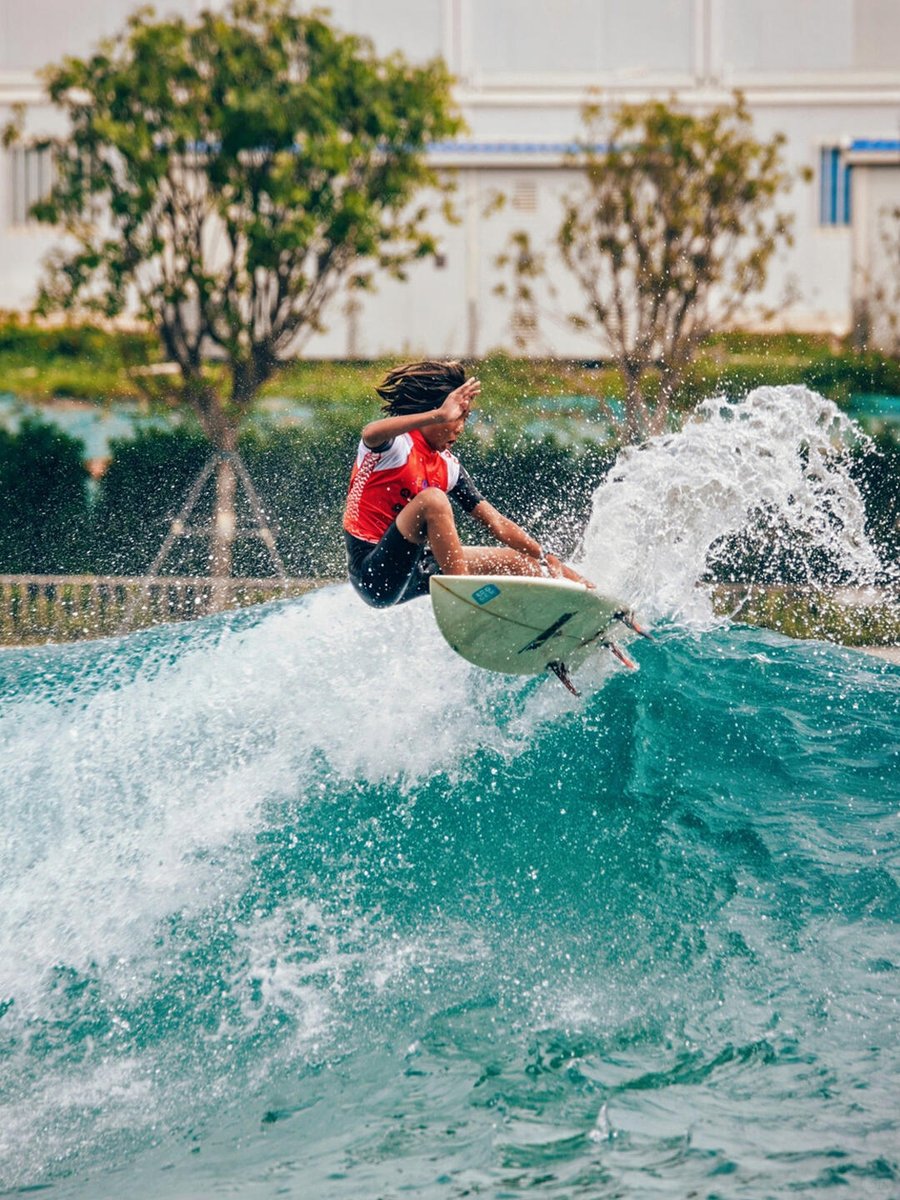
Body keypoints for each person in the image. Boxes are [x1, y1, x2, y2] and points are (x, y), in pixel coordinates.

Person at [343, 359, 592, 608]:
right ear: (435, 413)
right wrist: (439, 414)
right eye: (457, 417)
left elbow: (497, 524)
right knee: (433, 500)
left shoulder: (448, 467)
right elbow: (370, 433)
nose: (461, 428)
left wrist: (547, 558)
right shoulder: (395, 446)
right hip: (374, 577)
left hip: (416, 570)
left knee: (521, 563)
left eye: (466, 418)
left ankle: (558, 610)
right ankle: (465, 604)